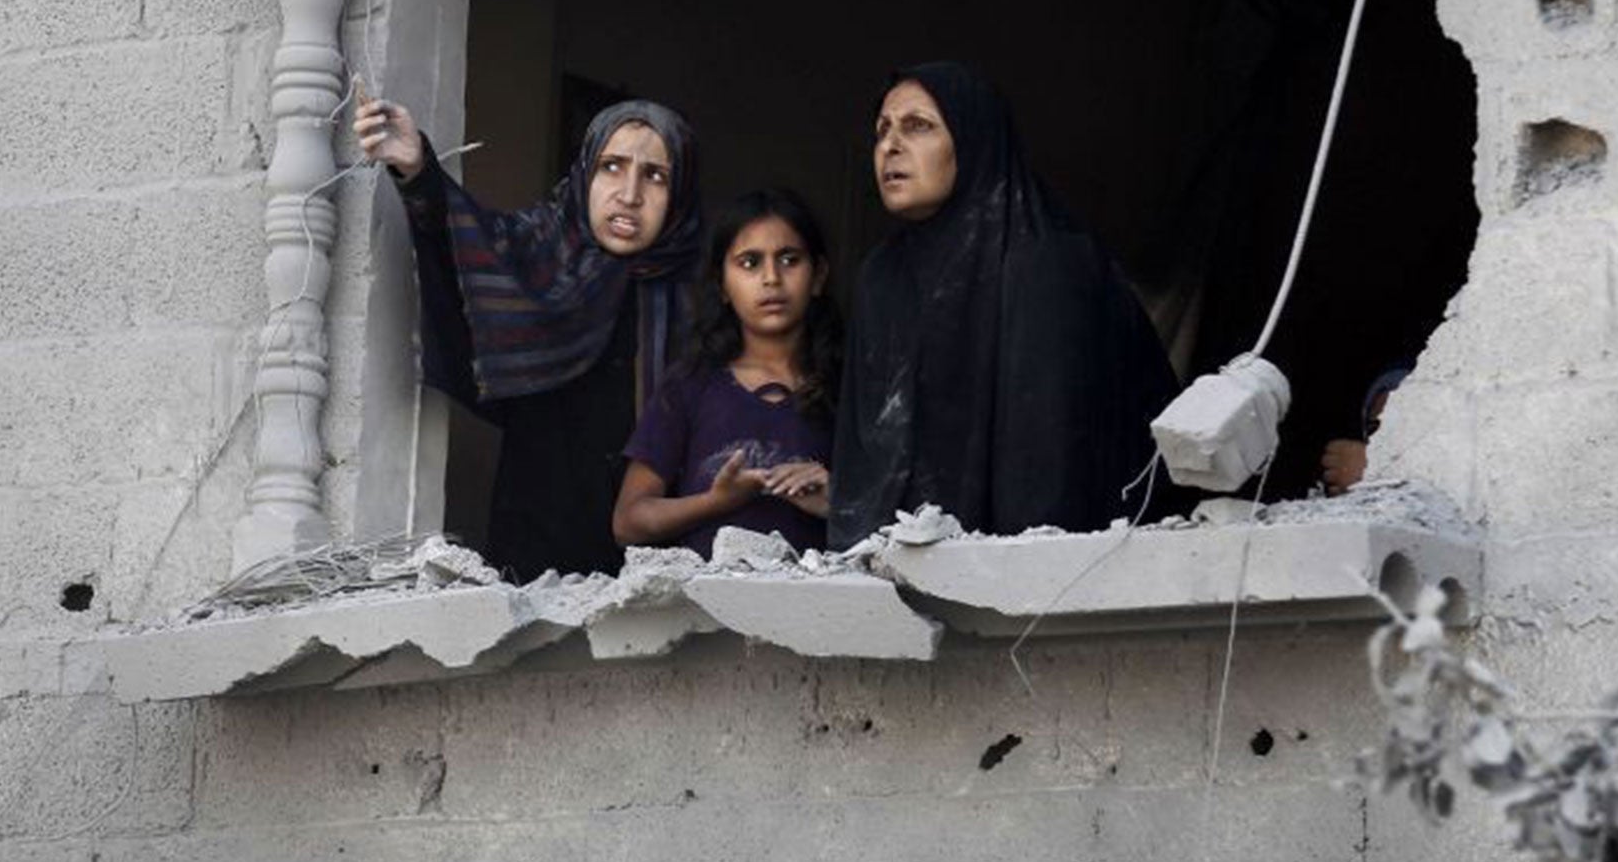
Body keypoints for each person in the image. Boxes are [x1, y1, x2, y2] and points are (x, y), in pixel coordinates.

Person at [828, 62, 1184, 548]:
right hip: (900, 577)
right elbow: (870, 455)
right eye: (882, 131)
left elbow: (1060, 468)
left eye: (919, 126)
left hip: (1045, 575)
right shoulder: (883, 279)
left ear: (974, 140)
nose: (890, 146)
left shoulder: (1049, 263)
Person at [354, 95, 702, 580]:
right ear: (585, 174)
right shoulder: (540, 254)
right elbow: (471, 249)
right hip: (536, 551)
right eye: (612, 166)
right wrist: (419, 173)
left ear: (680, 192)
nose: (629, 193)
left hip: (656, 568)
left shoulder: (702, 300)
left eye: (656, 175)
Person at [613, 188, 839, 557]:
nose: (771, 278)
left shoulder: (848, 386)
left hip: (820, 609)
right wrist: (718, 501)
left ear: (818, 275)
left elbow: (899, 514)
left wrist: (840, 503)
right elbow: (627, 522)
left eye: (789, 259)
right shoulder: (690, 385)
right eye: (750, 262)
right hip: (704, 609)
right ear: (722, 285)